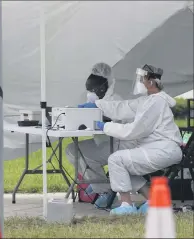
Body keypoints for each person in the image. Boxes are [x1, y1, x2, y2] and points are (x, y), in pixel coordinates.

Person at [78, 64, 183, 215]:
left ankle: (127, 205)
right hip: (155, 148)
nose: (139, 82)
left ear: (151, 82)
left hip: (163, 150)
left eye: (142, 79)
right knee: (124, 161)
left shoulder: (156, 103)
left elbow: (133, 131)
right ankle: (153, 201)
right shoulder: (148, 100)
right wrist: (97, 104)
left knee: (116, 159)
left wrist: (105, 126)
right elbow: (123, 107)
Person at [66, 62, 130, 208]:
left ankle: (105, 191)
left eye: (92, 90)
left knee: (85, 154)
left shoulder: (115, 100)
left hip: (119, 144)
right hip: (103, 142)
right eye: (88, 90)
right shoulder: (95, 101)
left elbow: (116, 122)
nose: (90, 93)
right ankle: (97, 183)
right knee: (71, 149)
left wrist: (100, 115)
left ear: (102, 88)